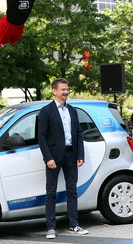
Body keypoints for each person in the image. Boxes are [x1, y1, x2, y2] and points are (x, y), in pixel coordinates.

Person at [38, 78, 88, 239]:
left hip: (71, 155)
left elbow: (79, 134)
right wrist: (48, 158)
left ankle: (74, 224)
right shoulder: (46, 111)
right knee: (51, 192)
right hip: (54, 157)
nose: (66, 92)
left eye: (67, 89)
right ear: (54, 91)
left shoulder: (72, 110)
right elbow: (42, 137)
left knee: (72, 190)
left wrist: (80, 155)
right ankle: (51, 228)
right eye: (63, 89)